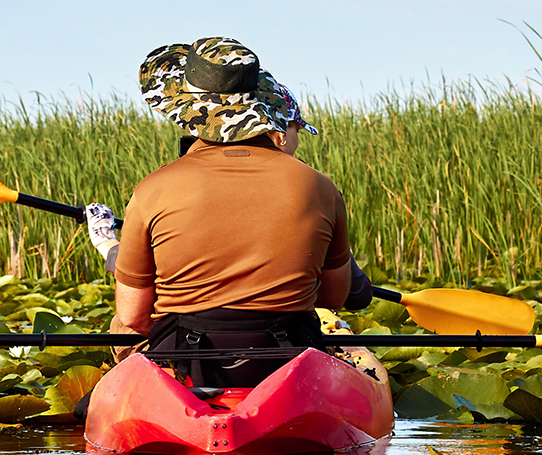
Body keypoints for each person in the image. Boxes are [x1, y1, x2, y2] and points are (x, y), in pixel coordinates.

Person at [105, 37, 364, 388]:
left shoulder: (151, 189)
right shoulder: (319, 186)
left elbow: (134, 316)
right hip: (287, 359)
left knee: (120, 324)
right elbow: (334, 297)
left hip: (187, 363)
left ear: (186, 113)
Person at [84, 82, 374, 309]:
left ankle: (108, 244)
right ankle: (109, 246)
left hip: (187, 346)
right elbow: (346, 296)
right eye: (297, 129)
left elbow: (134, 311)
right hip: (283, 341)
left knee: (126, 317)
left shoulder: (156, 186)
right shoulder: (319, 188)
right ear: (280, 133)